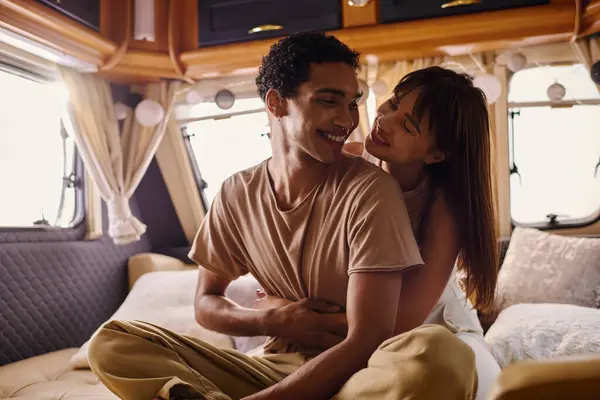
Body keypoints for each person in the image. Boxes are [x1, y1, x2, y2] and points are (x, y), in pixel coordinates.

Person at [87, 33, 477, 400]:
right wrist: (273, 320)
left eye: (352, 103)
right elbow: (206, 302)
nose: (349, 119)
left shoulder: (382, 192)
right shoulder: (237, 193)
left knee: (439, 354)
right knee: (113, 341)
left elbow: (379, 332)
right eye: (330, 101)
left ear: (435, 154)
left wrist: (278, 309)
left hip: (373, 361)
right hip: (281, 363)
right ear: (276, 104)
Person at [255, 66, 502, 399]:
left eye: (407, 125)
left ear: (436, 154)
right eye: (392, 104)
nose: (385, 121)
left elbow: (402, 323)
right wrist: (286, 312)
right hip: (354, 326)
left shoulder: (444, 207)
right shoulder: (346, 164)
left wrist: (310, 321)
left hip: (432, 327)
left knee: (467, 378)